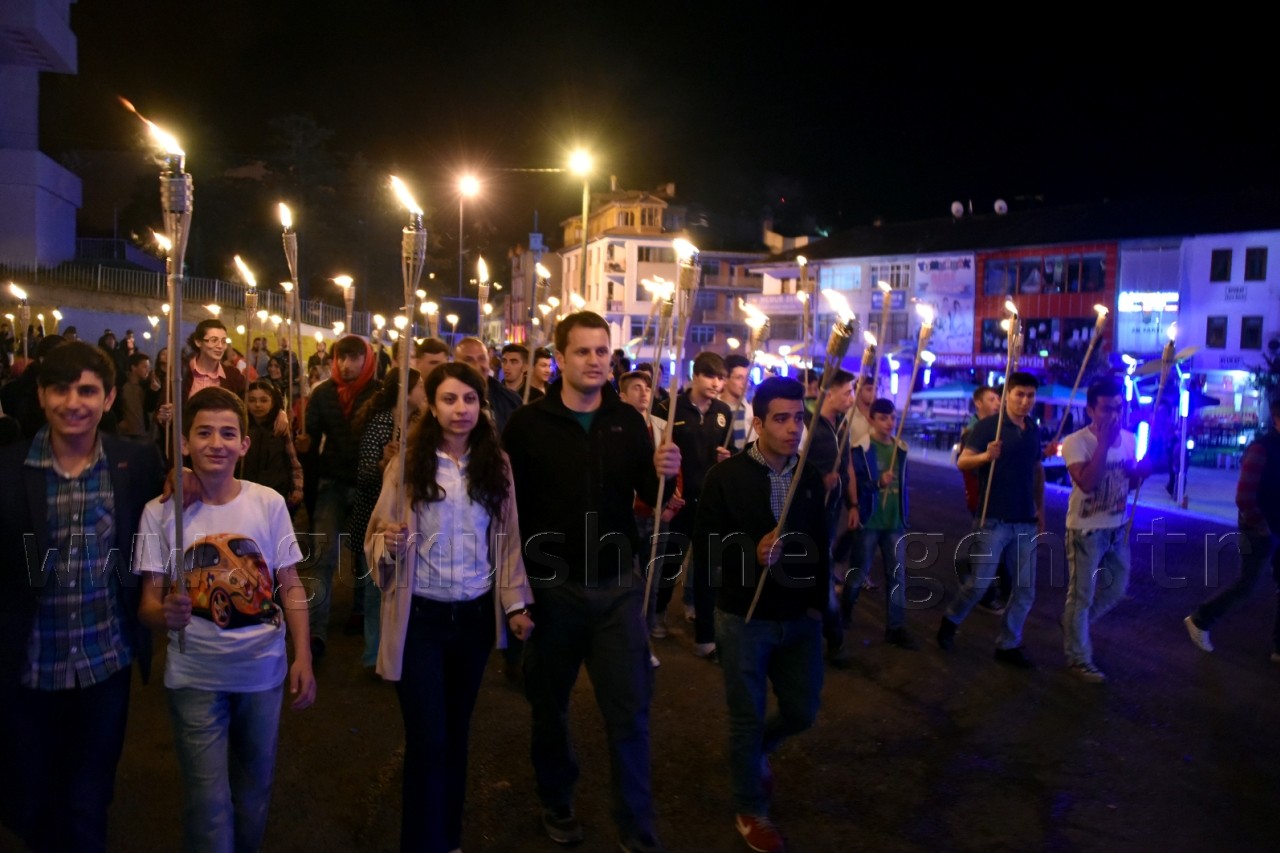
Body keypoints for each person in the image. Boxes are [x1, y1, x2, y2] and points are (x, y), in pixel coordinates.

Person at [502, 311, 679, 852]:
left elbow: (651, 496)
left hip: (617, 585)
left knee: (629, 709)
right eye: (583, 351)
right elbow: (506, 508)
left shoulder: (627, 420)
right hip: (552, 589)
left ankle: (636, 822)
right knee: (549, 706)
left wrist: (666, 469)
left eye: (602, 351)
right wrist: (514, 592)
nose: (596, 361)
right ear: (559, 358)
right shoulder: (527, 425)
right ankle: (557, 798)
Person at [0, 341, 165, 851]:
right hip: (30, 665)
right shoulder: (8, 469)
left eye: (88, 391)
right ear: (41, 394)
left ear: (109, 398)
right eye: (60, 389)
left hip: (104, 662)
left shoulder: (135, 461)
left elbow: (163, 520)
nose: (73, 403)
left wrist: (186, 478)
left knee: (89, 799)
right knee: (31, 799)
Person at [135, 386, 315, 852]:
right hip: (194, 677)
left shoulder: (268, 503)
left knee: (254, 794)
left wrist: (303, 656)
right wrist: (164, 614)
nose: (216, 443)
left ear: (244, 444)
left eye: (228, 433)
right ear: (184, 442)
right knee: (207, 803)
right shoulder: (160, 513)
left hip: (263, 673)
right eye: (204, 432)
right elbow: (147, 604)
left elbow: (289, 582)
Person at [365, 362, 534, 852]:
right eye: (449, 399)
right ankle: (421, 842)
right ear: (432, 407)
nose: (461, 409)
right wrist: (388, 545)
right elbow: (376, 534)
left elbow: (508, 540)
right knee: (428, 738)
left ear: (482, 405)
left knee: (456, 734)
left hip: (474, 618)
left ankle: (449, 837)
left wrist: (516, 605)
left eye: (470, 399)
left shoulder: (496, 464)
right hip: (421, 617)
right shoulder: (407, 465)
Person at [692, 376, 829, 853]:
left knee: (802, 710)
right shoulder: (726, 477)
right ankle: (750, 807)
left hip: (799, 617)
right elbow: (706, 547)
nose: (793, 428)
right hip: (744, 617)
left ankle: (756, 754)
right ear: (758, 424)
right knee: (746, 718)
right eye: (781, 419)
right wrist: (750, 551)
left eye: (799, 418)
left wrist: (821, 607)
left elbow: (821, 542)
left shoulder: (808, 476)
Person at [938, 371, 1045, 668]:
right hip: (993, 518)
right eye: (1019, 394)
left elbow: (1037, 470)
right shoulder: (988, 427)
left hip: (1024, 519)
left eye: (1030, 396)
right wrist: (985, 456)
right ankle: (950, 620)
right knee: (980, 583)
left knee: (1025, 589)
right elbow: (963, 461)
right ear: (1007, 395)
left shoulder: (1033, 429)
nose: (1025, 401)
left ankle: (1008, 643)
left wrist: (1040, 509)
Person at [1059, 377, 1149, 682]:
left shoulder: (1129, 439)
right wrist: (1103, 444)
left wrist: (1141, 473)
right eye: (1107, 408)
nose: (1114, 415)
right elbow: (1087, 483)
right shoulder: (1076, 442)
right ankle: (1079, 657)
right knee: (1081, 596)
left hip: (1118, 527)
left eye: (1118, 408)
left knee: (1116, 590)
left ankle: (1074, 625)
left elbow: (1128, 483)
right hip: (1086, 531)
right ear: (1090, 411)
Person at [1184, 389, 1280, 662]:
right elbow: (1244, 496)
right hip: (1259, 529)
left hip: (1275, 526)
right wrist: (1261, 526)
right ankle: (1201, 619)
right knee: (1247, 584)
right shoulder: (1262, 449)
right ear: (1277, 418)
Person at [298, 334, 378, 657]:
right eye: (341, 358)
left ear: (366, 359)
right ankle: (316, 630)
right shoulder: (323, 394)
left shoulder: (379, 394)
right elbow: (312, 434)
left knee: (364, 553)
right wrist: (304, 443)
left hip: (367, 482)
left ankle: (360, 609)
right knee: (323, 553)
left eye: (353, 357)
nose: (346, 365)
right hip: (331, 481)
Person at [654, 351, 732, 658]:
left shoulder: (724, 412)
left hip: (710, 503)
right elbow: (656, 452)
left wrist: (728, 457)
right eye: (710, 376)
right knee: (670, 563)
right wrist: (665, 494)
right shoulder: (669, 408)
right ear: (695, 375)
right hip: (679, 502)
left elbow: (731, 452)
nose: (716, 383)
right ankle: (657, 613)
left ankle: (705, 638)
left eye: (721, 378)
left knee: (707, 570)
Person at [348, 367, 426, 669]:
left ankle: (397, 651)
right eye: (419, 385)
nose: (424, 391)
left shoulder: (421, 425)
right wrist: (385, 463)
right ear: (405, 391)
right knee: (376, 590)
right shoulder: (380, 425)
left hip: (407, 521)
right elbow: (364, 476)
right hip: (377, 518)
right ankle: (373, 653)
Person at [847, 398, 918, 650]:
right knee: (858, 572)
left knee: (897, 575)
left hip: (894, 521)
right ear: (871, 419)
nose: (889, 423)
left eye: (892, 418)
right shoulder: (861, 449)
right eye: (883, 418)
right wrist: (878, 483)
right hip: (870, 520)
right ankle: (845, 613)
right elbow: (856, 484)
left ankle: (895, 627)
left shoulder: (901, 449)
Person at [957, 385, 1012, 613]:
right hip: (982, 496)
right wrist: (987, 457)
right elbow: (966, 465)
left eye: (998, 399)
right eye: (992, 399)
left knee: (996, 546)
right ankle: (985, 593)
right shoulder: (973, 432)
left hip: (999, 496)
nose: (997, 403)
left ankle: (996, 587)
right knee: (989, 547)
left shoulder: (998, 429)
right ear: (978, 403)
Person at [243, 379, 304, 509]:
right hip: (247, 492)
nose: (257, 405)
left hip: (275, 492)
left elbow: (293, 462)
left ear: (272, 403)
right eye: (252, 400)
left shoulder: (280, 428)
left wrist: (297, 488)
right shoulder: (242, 428)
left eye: (264, 400)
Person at [455, 336, 521, 436]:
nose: (477, 366)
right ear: (456, 365)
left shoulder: (510, 399)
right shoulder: (447, 400)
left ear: (488, 361)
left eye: (482, 359)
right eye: (469, 360)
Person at [182, 319, 246, 399]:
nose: (220, 346)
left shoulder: (233, 375)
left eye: (223, 341)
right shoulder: (181, 373)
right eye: (214, 340)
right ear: (198, 342)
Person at [722, 353, 756, 453]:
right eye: (739, 378)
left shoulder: (751, 412)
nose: (745, 383)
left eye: (747, 378)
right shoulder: (715, 410)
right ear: (725, 379)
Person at [116, 352, 153, 440]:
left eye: (149, 367)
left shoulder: (146, 386)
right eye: (144, 367)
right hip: (125, 434)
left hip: (142, 432)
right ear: (133, 368)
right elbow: (114, 406)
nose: (148, 370)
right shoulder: (122, 385)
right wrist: (120, 421)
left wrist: (153, 391)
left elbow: (150, 407)